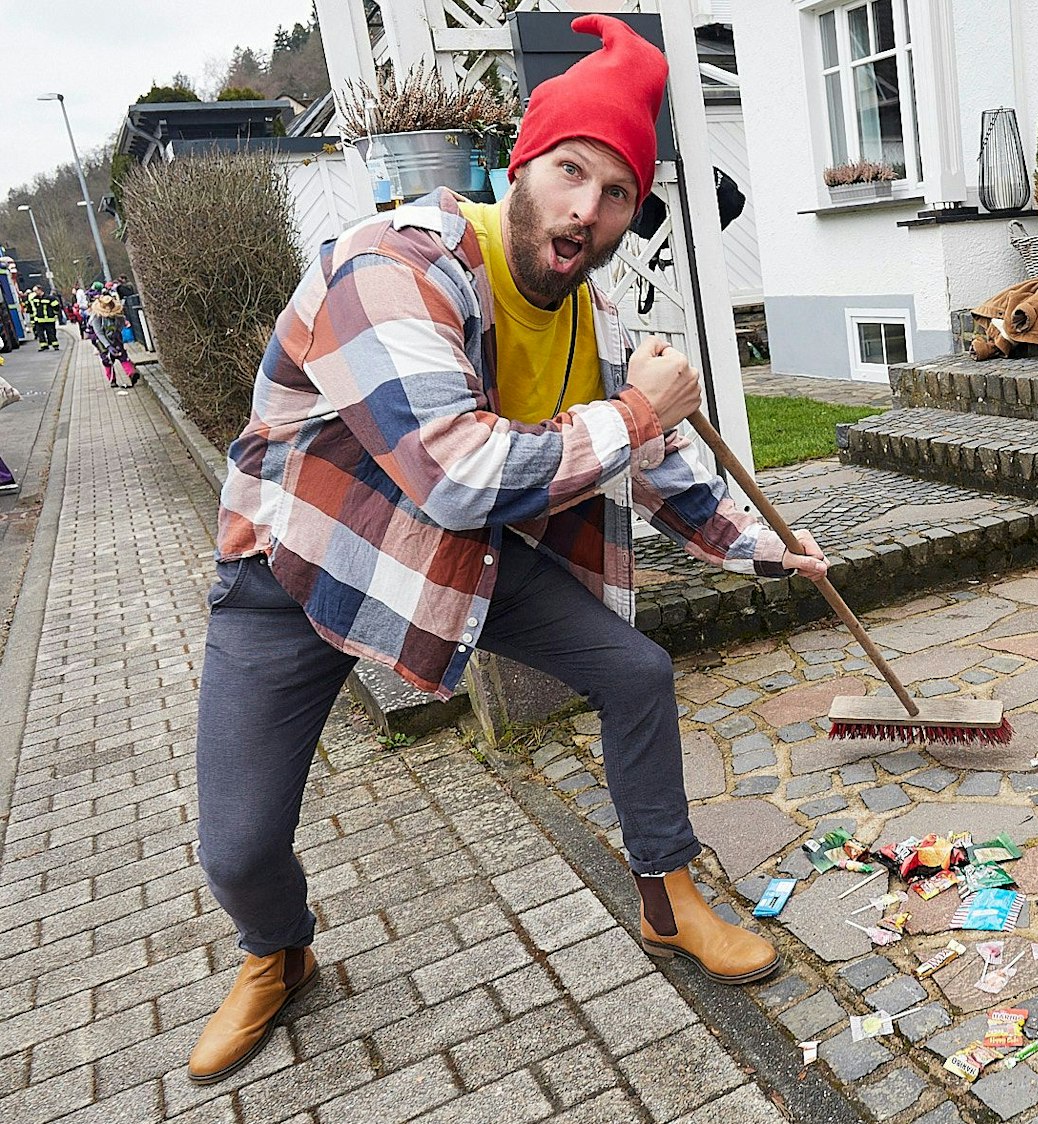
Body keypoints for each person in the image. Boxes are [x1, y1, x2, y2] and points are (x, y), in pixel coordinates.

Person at [185, 14, 828, 1085]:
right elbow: (451, 470)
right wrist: (630, 413)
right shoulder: (390, 266)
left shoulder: (596, 320)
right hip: (302, 565)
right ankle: (275, 949)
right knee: (239, 847)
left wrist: (771, 546)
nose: (586, 208)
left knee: (637, 672)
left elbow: (666, 472)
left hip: (452, 558)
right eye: (572, 170)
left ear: (631, 215)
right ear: (521, 164)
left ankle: (666, 893)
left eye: (616, 192)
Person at [84, 284, 137, 388]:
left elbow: (120, 326)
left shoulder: (118, 315)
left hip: (114, 335)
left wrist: (115, 338)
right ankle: (112, 380)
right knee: (107, 358)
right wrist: (108, 346)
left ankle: (132, 374)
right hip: (99, 338)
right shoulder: (96, 317)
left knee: (121, 354)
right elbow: (99, 333)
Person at [26, 286, 60, 350]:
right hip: (39, 320)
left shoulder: (50, 298)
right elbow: (32, 309)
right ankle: (44, 346)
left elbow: (56, 307)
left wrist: (54, 314)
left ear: (40, 290)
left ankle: (55, 345)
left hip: (49, 320)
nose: (35, 292)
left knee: (51, 333)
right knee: (40, 334)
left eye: (36, 291)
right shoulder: (35, 299)